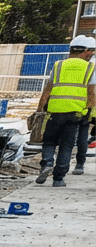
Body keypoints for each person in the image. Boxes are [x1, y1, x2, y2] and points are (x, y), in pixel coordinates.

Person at [35, 34, 96, 187]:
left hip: (55, 112)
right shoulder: (89, 68)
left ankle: (47, 163)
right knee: (66, 145)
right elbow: (91, 93)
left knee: (49, 142)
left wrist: (40, 109)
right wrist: (87, 111)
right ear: (85, 52)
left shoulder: (58, 65)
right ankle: (58, 178)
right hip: (75, 113)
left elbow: (47, 90)